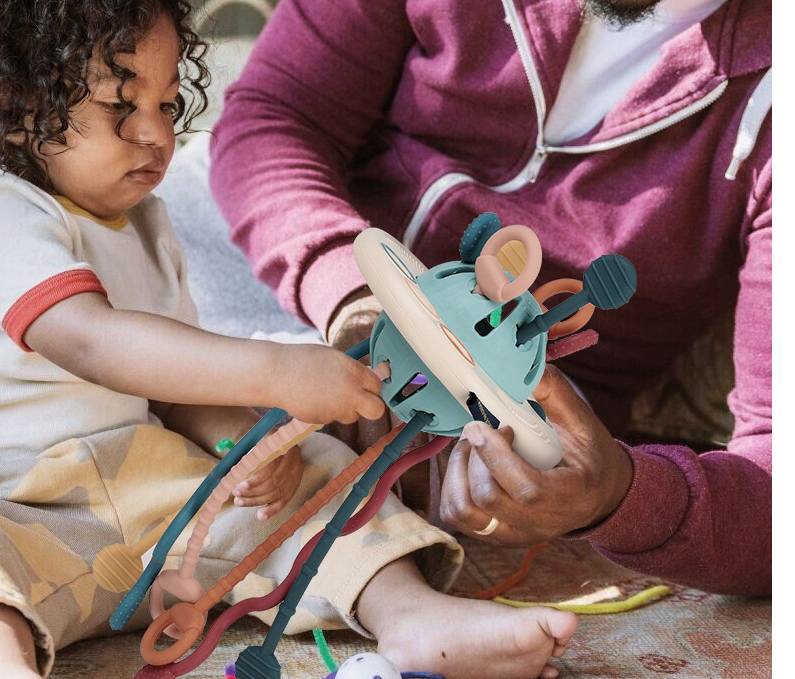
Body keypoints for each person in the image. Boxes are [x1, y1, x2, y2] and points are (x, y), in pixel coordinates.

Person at [0, 3, 579, 679]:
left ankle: (410, 616)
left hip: (155, 503)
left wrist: (241, 440)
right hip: (28, 506)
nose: (156, 133)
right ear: (16, 110)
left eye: (168, 102)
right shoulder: (11, 213)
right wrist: (274, 371)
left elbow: (168, 388)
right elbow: (92, 342)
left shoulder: (147, 226)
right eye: (122, 107)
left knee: (319, 466)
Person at [209, 0, 772, 597]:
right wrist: (359, 301)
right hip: (268, 267)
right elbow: (275, 115)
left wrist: (618, 494)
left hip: (498, 420)